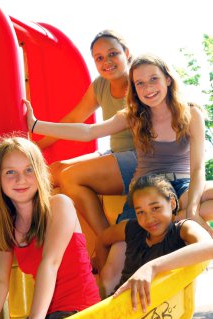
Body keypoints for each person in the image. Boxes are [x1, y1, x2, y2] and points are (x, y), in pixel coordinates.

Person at [24, 53, 213, 247]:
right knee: (115, 265)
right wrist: (36, 125)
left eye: (153, 79)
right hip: (145, 188)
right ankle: (134, 231)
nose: (147, 88)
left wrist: (192, 212)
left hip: (181, 185)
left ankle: (174, 221)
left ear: (168, 79)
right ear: (134, 88)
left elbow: (198, 168)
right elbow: (88, 131)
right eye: (139, 83)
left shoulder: (191, 113)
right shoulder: (133, 116)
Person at [0, 136, 100, 319]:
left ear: (40, 172)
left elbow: (50, 263)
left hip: (78, 313)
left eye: (28, 170)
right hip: (48, 316)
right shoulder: (8, 226)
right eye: (10, 172)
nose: (20, 179)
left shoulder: (59, 205)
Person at [37, 30, 137, 237]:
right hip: (115, 152)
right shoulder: (100, 85)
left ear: (126, 53)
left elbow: (89, 132)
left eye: (112, 54)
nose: (106, 62)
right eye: (99, 58)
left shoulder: (139, 81)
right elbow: (74, 119)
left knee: (71, 177)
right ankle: (62, 238)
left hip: (139, 157)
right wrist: (37, 145)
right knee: (52, 172)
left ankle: (106, 240)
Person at [97, 175, 213, 298]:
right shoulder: (132, 228)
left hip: (163, 312)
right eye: (140, 212)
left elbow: (209, 246)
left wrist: (152, 267)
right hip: (119, 309)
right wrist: (106, 278)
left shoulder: (182, 229)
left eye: (155, 208)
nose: (149, 219)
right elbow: (101, 240)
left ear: (172, 203)